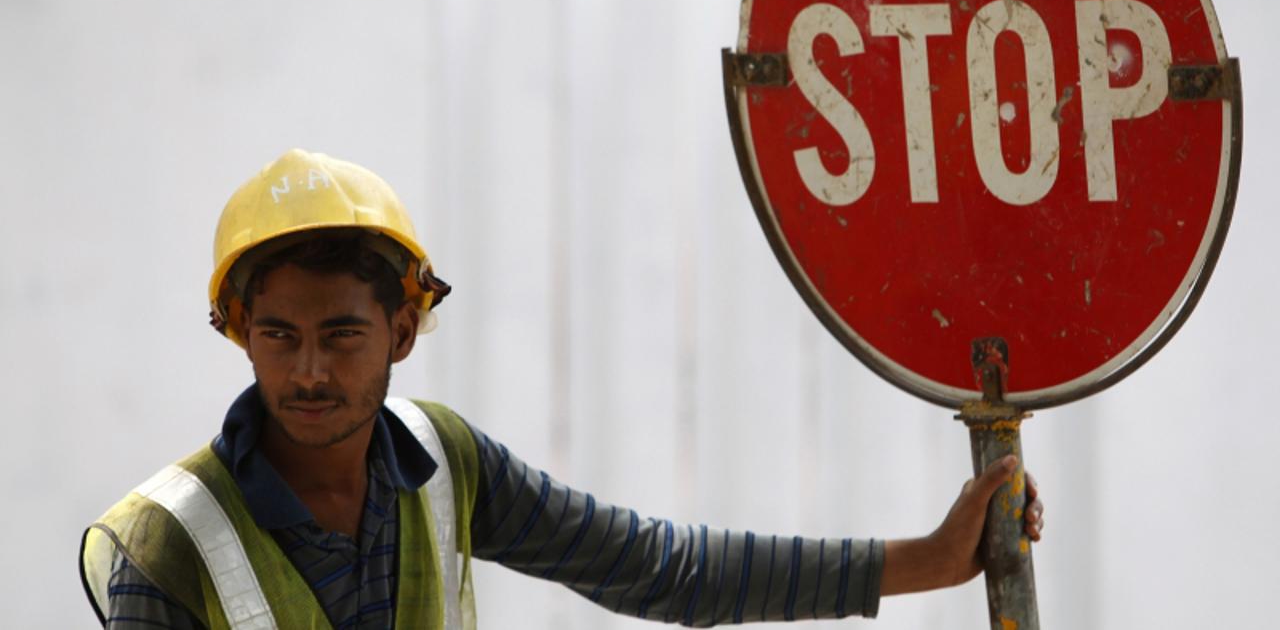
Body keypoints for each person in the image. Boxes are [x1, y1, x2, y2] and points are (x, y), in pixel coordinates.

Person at [80, 148, 1043, 628]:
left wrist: (924, 560)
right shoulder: (174, 542)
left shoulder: (445, 461)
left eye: (341, 335)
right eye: (277, 337)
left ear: (403, 332)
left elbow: (664, 568)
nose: (308, 372)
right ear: (238, 335)